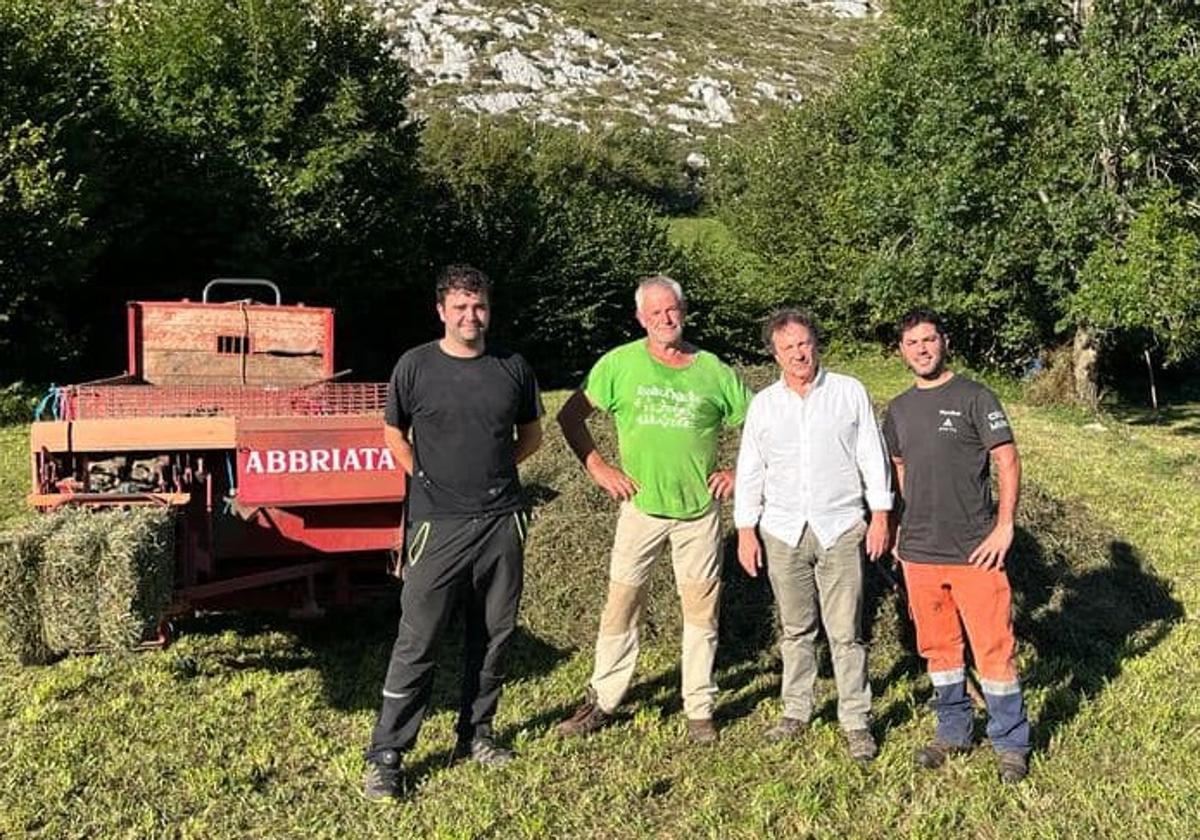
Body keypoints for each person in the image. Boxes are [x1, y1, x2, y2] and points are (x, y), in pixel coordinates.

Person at [363, 265, 544, 801]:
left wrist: (495, 480)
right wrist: (422, 474)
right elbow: (393, 431)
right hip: (436, 526)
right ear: (441, 310)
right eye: (461, 307)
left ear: (489, 308)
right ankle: (388, 754)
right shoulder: (415, 366)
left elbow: (531, 435)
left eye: (480, 305)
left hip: (500, 522)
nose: (472, 316)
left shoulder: (512, 367)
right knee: (417, 641)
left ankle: (477, 733)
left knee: (493, 636)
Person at [555, 275, 752, 744]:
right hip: (639, 509)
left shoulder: (713, 371)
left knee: (701, 612)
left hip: (699, 513)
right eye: (655, 313)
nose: (666, 319)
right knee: (621, 605)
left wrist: (739, 474)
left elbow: (763, 426)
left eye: (673, 310)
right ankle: (603, 698)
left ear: (684, 312)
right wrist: (599, 467)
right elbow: (569, 416)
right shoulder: (618, 365)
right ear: (641, 319)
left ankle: (699, 708)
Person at [733, 309, 892, 761]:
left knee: (845, 630)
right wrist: (746, 529)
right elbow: (750, 469)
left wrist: (879, 514)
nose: (799, 354)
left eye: (804, 343)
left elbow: (871, 456)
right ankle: (796, 711)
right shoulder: (764, 404)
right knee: (796, 628)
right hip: (782, 530)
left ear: (815, 343)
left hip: (840, 525)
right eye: (788, 348)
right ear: (775, 354)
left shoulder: (848, 392)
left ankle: (856, 719)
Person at [882, 306, 1031, 784]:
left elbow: (1007, 461)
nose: (921, 349)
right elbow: (900, 467)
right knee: (939, 650)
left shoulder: (974, 396)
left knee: (993, 647)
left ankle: (1010, 743)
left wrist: (1004, 526)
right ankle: (954, 731)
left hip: (974, 550)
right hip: (920, 554)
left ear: (943, 341)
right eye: (912, 343)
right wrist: (901, 527)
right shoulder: (899, 409)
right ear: (901, 351)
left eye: (928, 339)